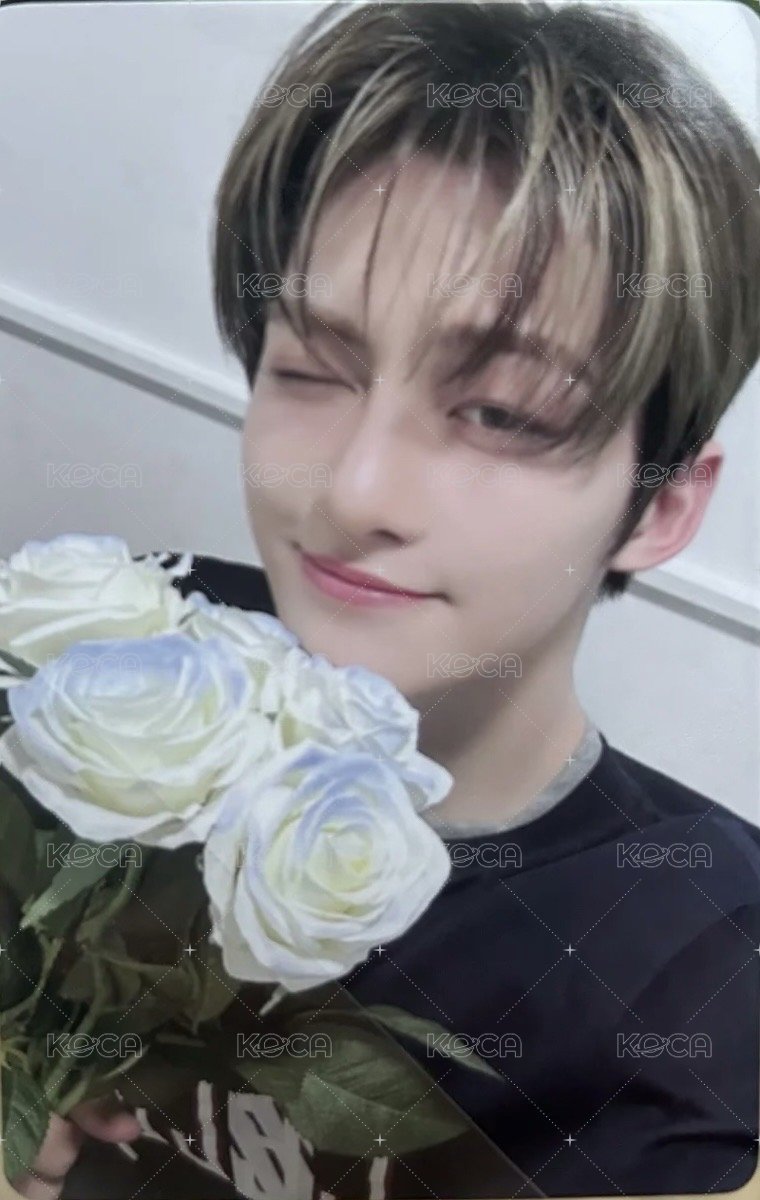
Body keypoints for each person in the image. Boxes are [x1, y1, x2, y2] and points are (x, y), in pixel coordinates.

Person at [13, 1, 760, 1196]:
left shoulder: (701, 963)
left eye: (502, 412)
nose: (354, 490)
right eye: (310, 368)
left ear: (660, 504)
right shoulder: (119, 668)